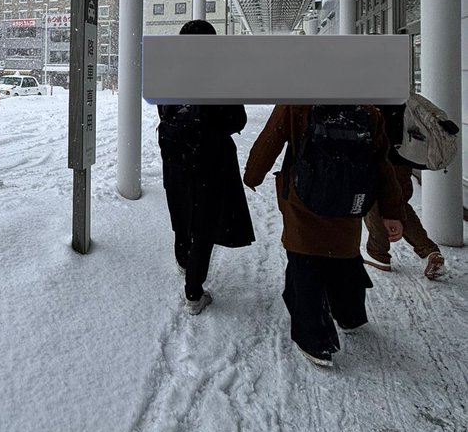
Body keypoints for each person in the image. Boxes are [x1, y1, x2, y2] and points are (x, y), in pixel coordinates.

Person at [244, 105, 404, 368]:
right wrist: (391, 210)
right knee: (344, 256)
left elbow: (270, 139)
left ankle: (315, 340)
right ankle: (350, 314)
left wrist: (253, 175)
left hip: (303, 198)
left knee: (304, 262)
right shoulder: (366, 108)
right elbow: (381, 162)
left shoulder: (296, 103)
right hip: (347, 203)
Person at [157, 19, 255, 315]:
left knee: (181, 210)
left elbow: (164, 111)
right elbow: (236, 120)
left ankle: (184, 260)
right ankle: (193, 292)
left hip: (176, 158)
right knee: (205, 223)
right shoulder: (221, 75)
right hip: (211, 161)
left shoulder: (169, 72)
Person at [364, 103, 445, 280]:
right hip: (403, 155)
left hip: (377, 154)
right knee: (398, 203)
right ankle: (429, 251)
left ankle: (378, 253)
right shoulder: (399, 94)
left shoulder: (369, 96)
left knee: (370, 199)